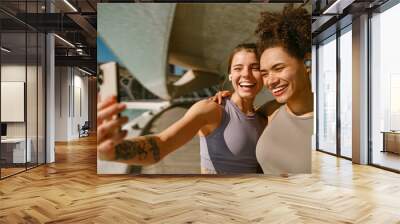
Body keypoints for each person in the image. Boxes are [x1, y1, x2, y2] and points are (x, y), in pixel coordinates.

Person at [97, 43, 266, 174]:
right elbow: (163, 143)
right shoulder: (211, 109)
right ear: (230, 74)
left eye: (255, 67)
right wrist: (114, 151)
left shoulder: (263, 118)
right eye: (238, 68)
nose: (246, 74)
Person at [213, 4, 312, 175]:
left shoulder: (333, 122)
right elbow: (242, 118)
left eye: (279, 68)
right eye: (264, 73)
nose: (270, 81)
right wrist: (228, 100)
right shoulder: (270, 111)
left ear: (307, 64)